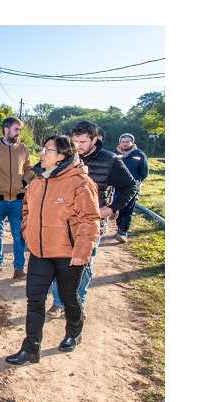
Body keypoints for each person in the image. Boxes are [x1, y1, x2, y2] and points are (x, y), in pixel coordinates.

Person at [6, 135, 100, 365]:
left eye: (48, 150)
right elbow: (26, 208)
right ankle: (30, 348)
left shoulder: (80, 183)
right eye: (43, 148)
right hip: (40, 252)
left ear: (62, 156)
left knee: (68, 297)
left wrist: (82, 253)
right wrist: (28, 231)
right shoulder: (38, 180)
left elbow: (90, 220)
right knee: (34, 300)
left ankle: (74, 331)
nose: (42, 153)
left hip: (68, 255)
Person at [47, 121, 138, 319]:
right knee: (59, 262)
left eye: (83, 141)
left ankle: (78, 303)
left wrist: (111, 208)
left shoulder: (110, 160)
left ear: (95, 139)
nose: (77, 145)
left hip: (91, 222)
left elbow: (131, 186)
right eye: (74, 140)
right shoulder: (67, 156)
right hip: (63, 221)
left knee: (83, 264)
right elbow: (47, 176)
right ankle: (58, 302)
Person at [0, 117, 34, 279]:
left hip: (18, 200)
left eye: (20, 130)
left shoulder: (23, 148)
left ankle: (19, 268)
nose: (19, 133)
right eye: (16, 129)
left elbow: (29, 169)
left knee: (18, 235)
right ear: (6, 129)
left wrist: (23, 180)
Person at [113, 133, 149, 242]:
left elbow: (144, 172)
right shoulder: (114, 154)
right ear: (120, 143)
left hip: (132, 187)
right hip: (117, 187)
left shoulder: (139, 154)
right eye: (123, 141)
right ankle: (119, 227)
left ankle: (123, 232)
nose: (125, 144)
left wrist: (137, 183)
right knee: (117, 208)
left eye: (127, 141)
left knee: (128, 210)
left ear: (132, 142)